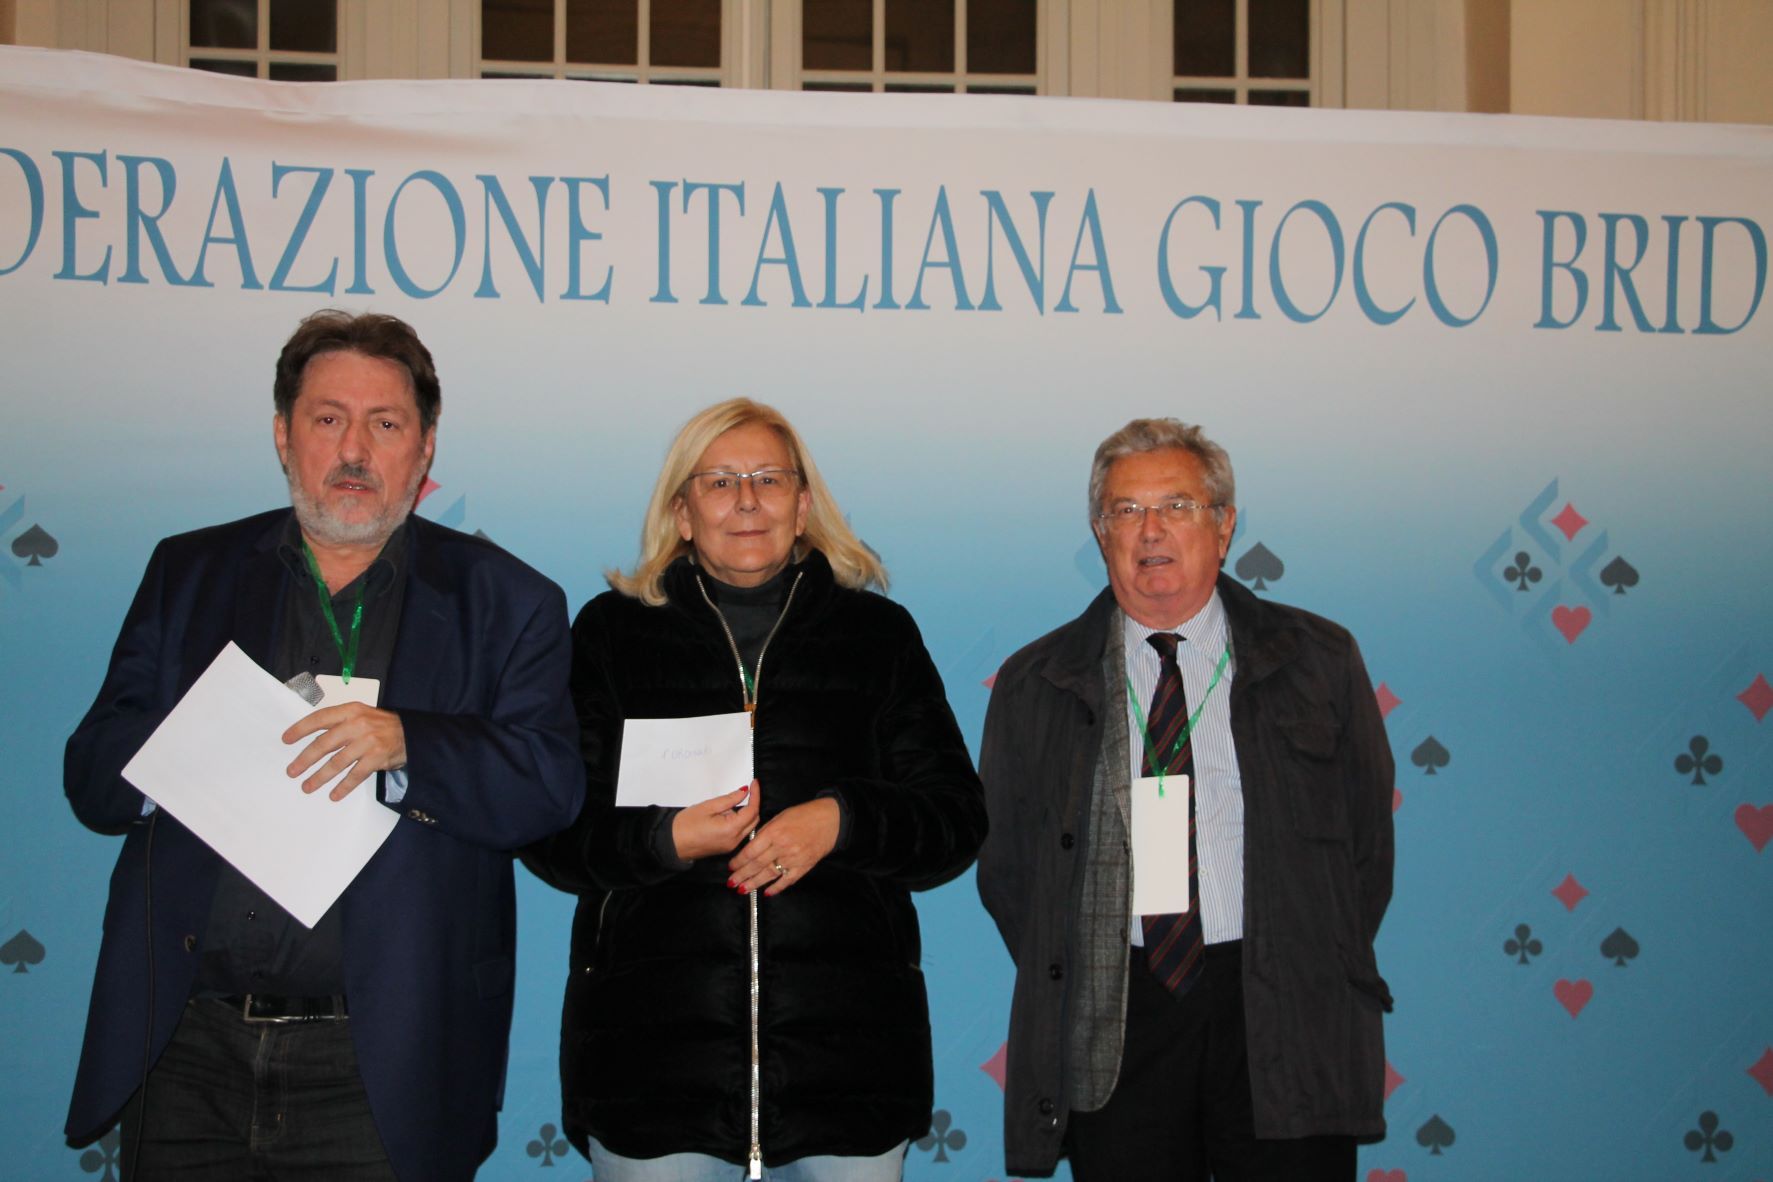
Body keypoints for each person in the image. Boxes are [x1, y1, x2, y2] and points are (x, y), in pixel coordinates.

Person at [62, 309, 585, 1181]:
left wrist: (411, 745)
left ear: (424, 450)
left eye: (385, 425)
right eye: (328, 419)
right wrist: (184, 749)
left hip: (385, 1062)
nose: (354, 451)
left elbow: (549, 789)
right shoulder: (188, 572)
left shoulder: (509, 600)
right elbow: (92, 778)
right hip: (187, 1049)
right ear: (283, 435)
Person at [522, 397, 986, 1182]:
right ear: (681, 512)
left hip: (848, 1070)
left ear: (802, 507)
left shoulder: (878, 636)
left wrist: (840, 820)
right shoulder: (611, 634)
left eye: (768, 479)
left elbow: (954, 820)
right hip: (653, 1074)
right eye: (719, 481)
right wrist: (663, 839)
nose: (745, 500)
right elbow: (549, 828)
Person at [977, 418, 1394, 1181]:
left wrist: (1300, 955)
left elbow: (1365, 854)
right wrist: (1087, 964)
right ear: (1100, 533)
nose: (1151, 530)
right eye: (1126, 510)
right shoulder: (1036, 681)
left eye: (1176, 506)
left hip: (1280, 1010)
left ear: (1223, 525)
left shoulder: (1317, 660)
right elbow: (1008, 872)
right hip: (1117, 1018)